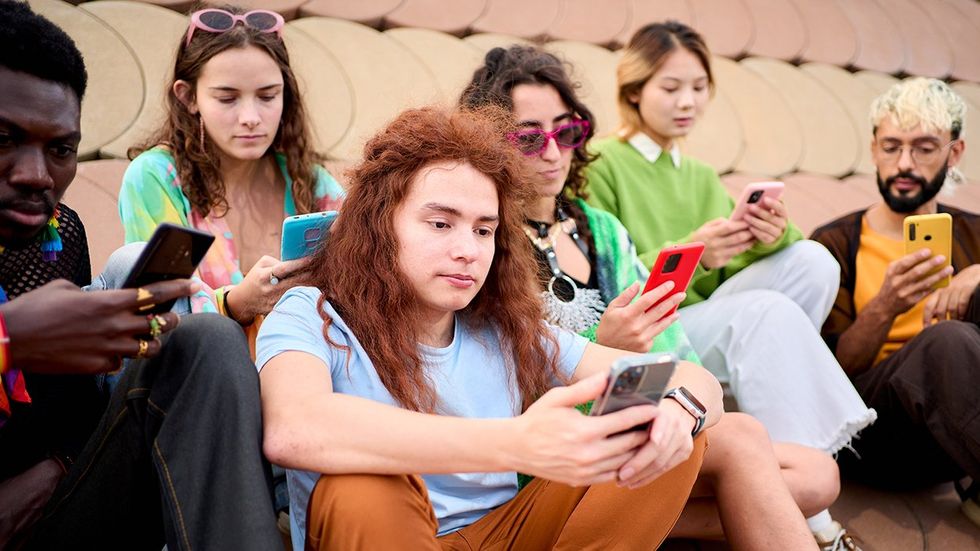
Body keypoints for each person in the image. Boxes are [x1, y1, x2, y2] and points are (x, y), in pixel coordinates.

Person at [257, 105, 820, 550]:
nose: (466, 250)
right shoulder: (311, 311)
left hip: (516, 531)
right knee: (359, 488)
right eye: (439, 223)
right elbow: (296, 427)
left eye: (483, 230)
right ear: (380, 224)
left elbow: (683, 379)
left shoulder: (501, 326)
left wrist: (679, 412)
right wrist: (514, 443)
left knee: (661, 421)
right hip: (391, 534)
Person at [460, 44, 841, 547]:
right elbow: (493, 391)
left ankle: (683, 515)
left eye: (566, 130)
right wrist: (607, 342)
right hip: (550, 457)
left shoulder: (602, 231)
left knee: (816, 474)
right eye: (530, 139)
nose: (553, 153)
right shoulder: (485, 239)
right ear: (490, 143)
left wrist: (674, 401)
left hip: (640, 423)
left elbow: (679, 356)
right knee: (750, 450)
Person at [0, 3, 281, 548]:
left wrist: (58, 466)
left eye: (60, 148)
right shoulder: (158, 174)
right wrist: (13, 339)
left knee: (203, 339)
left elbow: (74, 416)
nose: (36, 175)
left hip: (61, 512)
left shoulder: (58, 234)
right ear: (189, 99)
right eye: (3, 139)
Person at [811, 77, 980, 526]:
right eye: (891, 147)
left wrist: (978, 276)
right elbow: (828, 375)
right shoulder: (836, 243)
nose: (904, 163)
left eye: (924, 148)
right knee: (946, 342)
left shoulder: (975, 235)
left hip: (954, 431)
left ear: (954, 153)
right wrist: (886, 305)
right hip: (873, 431)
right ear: (873, 150)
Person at [120, 5, 344, 325]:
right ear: (188, 97)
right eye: (227, 98)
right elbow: (156, 310)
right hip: (200, 370)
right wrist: (235, 303)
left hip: (304, 367)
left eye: (267, 96)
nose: (250, 118)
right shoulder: (157, 177)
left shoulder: (308, 179)